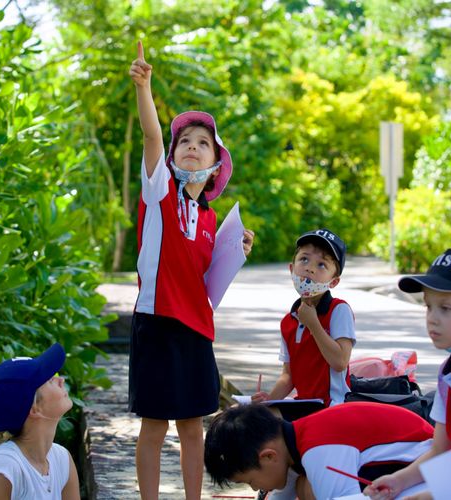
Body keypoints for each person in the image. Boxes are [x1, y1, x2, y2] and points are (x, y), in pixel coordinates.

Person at [128, 40, 254, 500]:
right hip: (157, 324)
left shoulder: (208, 218)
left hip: (197, 330)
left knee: (193, 427)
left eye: (204, 144)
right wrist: (145, 87)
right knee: (154, 425)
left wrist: (234, 252)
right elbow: (151, 137)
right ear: (173, 154)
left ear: (216, 164)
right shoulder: (159, 192)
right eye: (186, 142)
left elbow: (208, 281)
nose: (192, 149)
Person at [364, 248, 451, 500]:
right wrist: (399, 480)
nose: (432, 318)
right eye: (428, 306)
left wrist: (435, 494)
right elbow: (441, 448)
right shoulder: (448, 374)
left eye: (446, 308)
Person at [204, 402, 434, 500]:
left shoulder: (317, 450)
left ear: (269, 456)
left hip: (428, 479)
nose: (257, 489)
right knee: (306, 486)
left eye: (251, 481)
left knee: (311, 489)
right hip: (408, 474)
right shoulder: (295, 439)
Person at [252, 228, 355, 408]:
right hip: (305, 404)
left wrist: (313, 324)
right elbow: (288, 376)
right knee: (248, 417)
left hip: (332, 406)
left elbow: (340, 362)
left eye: (321, 264)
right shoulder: (288, 321)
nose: (309, 268)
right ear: (292, 269)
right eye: (304, 259)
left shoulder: (339, 310)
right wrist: (267, 401)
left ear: (333, 281)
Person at [0, 343, 80, 500]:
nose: (61, 380)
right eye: (50, 380)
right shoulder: (4, 469)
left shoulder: (61, 458)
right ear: (34, 408)